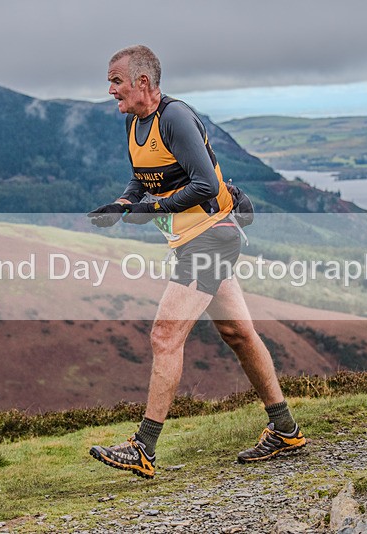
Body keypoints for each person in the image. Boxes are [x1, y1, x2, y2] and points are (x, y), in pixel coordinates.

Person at [87, 45, 305, 479]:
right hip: (193, 239)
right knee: (239, 334)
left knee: (165, 335)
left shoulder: (176, 118)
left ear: (143, 82)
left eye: (116, 81)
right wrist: (123, 204)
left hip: (211, 237)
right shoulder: (135, 122)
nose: (110, 89)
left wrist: (150, 210)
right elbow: (143, 177)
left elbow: (205, 184)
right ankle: (285, 429)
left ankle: (143, 447)